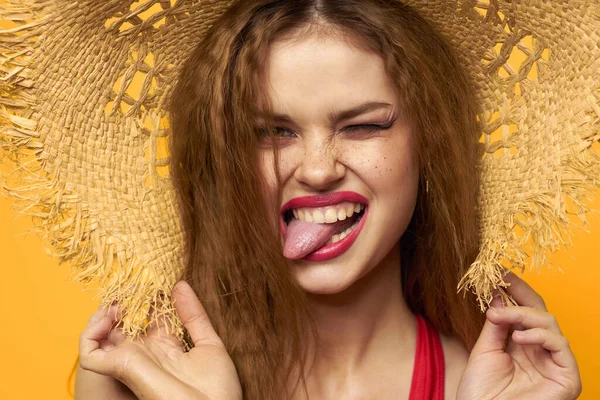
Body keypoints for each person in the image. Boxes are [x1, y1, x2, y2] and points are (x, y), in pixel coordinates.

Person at [74, 1, 582, 399]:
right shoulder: (147, 382)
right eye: (271, 132)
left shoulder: (493, 388)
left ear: (429, 146)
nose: (318, 169)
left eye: (363, 126)